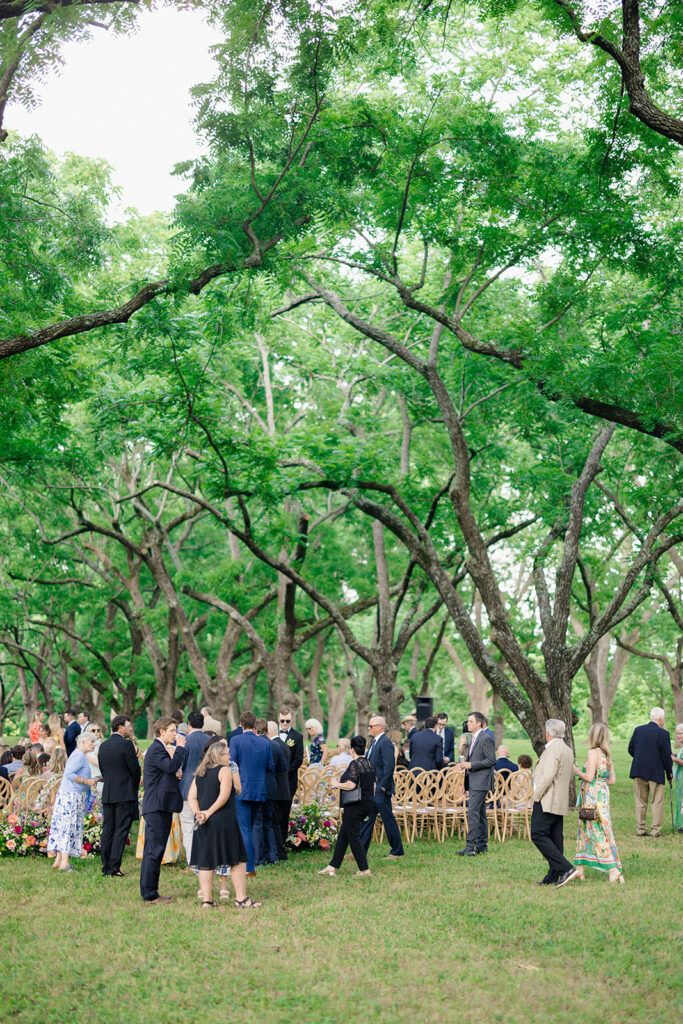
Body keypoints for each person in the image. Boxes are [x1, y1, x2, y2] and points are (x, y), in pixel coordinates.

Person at [188, 737, 260, 909]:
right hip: (223, 820)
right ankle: (241, 899)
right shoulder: (224, 770)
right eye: (227, 753)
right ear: (220, 755)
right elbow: (224, 795)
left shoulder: (200, 771)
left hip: (204, 822)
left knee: (206, 861)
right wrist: (208, 813)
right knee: (237, 859)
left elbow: (192, 796)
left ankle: (207, 900)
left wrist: (199, 813)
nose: (229, 756)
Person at [139, 717, 186, 904]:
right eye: (172, 730)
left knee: (155, 850)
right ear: (162, 732)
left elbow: (165, 773)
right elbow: (171, 765)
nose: (175, 734)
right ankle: (150, 894)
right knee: (153, 850)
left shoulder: (159, 749)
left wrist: (175, 776)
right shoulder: (156, 749)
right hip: (156, 807)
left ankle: (152, 891)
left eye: (175, 730)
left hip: (162, 806)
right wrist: (181, 748)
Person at [572, 722, 624, 884]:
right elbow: (612, 780)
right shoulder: (606, 754)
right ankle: (579, 868)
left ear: (593, 736)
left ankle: (613, 869)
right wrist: (600, 782)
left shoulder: (593, 753)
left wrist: (575, 770)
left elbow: (589, 777)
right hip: (602, 795)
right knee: (589, 828)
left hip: (592, 795)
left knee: (595, 828)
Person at [530, 719, 578, 888]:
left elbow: (548, 775)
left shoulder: (553, 749)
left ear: (548, 733)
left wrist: (536, 795)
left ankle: (567, 868)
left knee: (537, 834)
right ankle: (553, 875)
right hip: (560, 799)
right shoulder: (566, 748)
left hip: (547, 799)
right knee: (555, 837)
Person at [319, 735, 376, 878]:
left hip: (355, 805)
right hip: (366, 804)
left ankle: (364, 869)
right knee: (344, 836)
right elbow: (372, 785)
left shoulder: (355, 764)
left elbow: (351, 785)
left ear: (352, 749)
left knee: (353, 837)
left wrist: (336, 784)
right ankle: (332, 866)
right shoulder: (369, 764)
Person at [46, 731, 100, 871]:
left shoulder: (80, 755)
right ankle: (65, 863)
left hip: (72, 795)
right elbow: (69, 774)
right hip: (71, 797)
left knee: (64, 826)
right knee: (67, 827)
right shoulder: (78, 755)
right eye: (91, 742)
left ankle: (58, 860)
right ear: (82, 743)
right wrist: (87, 781)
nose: (94, 745)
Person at [230, 711, 274, 877]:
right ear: (255, 725)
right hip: (259, 790)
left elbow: (232, 763)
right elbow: (271, 766)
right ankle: (251, 862)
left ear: (241, 725)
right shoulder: (265, 743)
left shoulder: (235, 740)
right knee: (253, 827)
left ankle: (248, 868)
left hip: (242, 789)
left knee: (245, 829)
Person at [97, 715, 141, 877]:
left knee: (108, 829)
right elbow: (135, 770)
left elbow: (103, 769)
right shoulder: (126, 745)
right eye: (128, 726)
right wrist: (133, 786)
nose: (130, 729)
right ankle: (114, 867)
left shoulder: (103, 746)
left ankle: (106, 865)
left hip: (108, 792)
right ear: (121, 727)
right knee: (121, 831)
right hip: (124, 793)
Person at [360, 714, 405, 861]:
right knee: (367, 820)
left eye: (371, 726)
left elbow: (389, 765)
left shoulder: (385, 742)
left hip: (380, 788)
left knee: (388, 819)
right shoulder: (374, 742)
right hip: (372, 787)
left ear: (380, 727)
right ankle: (359, 851)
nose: (369, 728)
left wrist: (383, 787)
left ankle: (397, 851)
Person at [628, 706, 673, 837]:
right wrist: (669, 774)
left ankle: (641, 830)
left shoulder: (638, 730)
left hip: (638, 770)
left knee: (640, 802)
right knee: (656, 802)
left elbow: (631, 749)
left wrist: (640, 759)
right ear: (661, 719)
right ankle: (655, 831)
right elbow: (666, 756)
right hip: (656, 772)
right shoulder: (663, 734)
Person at [455, 712, 496, 855]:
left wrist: (471, 765)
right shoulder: (473, 738)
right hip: (474, 781)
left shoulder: (485, 738)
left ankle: (469, 847)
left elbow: (491, 760)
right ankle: (482, 846)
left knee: (472, 813)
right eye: (468, 721)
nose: (468, 724)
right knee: (480, 814)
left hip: (481, 781)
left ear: (479, 723)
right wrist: (466, 784)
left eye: (471, 721)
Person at [179, 710, 209, 868]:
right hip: (206, 788)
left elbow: (181, 765)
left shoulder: (185, 741)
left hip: (187, 787)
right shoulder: (210, 741)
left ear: (189, 724)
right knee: (204, 824)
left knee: (187, 825)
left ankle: (193, 861)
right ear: (203, 724)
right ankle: (205, 858)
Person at [255, 718, 281, 865]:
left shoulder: (256, 745)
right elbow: (282, 767)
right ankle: (273, 856)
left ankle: (259, 858)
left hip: (258, 787)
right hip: (271, 787)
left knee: (258, 823)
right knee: (269, 823)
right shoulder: (275, 746)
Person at [267, 720, 291, 861]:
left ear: (268, 732)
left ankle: (278, 852)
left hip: (276, 790)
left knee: (275, 823)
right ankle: (280, 851)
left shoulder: (273, 746)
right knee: (281, 823)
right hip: (285, 789)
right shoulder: (284, 745)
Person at [278, 708, 304, 810]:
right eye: (282, 720)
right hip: (274, 780)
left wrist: (286, 771)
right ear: (278, 720)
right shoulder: (272, 734)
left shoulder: (298, 736)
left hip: (289, 780)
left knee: (285, 812)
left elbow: (298, 759)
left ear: (291, 720)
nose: (284, 723)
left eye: (287, 721)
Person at [673, 723, 683, 833]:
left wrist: (675, 760)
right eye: (677, 734)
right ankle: (680, 823)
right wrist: (675, 755)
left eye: (680, 733)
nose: (678, 736)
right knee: (680, 800)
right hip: (680, 779)